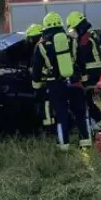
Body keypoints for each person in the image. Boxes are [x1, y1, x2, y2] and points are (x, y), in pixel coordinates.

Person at [31, 12, 91, 150]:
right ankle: (86, 142)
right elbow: (81, 62)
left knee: (61, 114)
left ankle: (63, 145)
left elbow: (36, 70)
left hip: (55, 84)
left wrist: (37, 88)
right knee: (80, 112)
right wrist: (83, 80)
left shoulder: (41, 45)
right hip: (74, 81)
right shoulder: (72, 40)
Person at [66, 11, 101, 133]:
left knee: (84, 101)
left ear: (79, 27)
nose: (73, 32)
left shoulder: (85, 39)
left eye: (74, 29)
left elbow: (79, 59)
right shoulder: (89, 36)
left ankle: (99, 123)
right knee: (87, 100)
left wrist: (78, 75)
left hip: (89, 74)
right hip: (93, 74)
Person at [25, 23, 54, 132]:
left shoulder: (40, 47)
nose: (30, 41)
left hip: (45, 83)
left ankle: (49, 129)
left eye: (31, 39)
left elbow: (37, 68)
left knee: (45, 105)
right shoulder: (48, 45)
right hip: (51, 81)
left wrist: (36, 86)